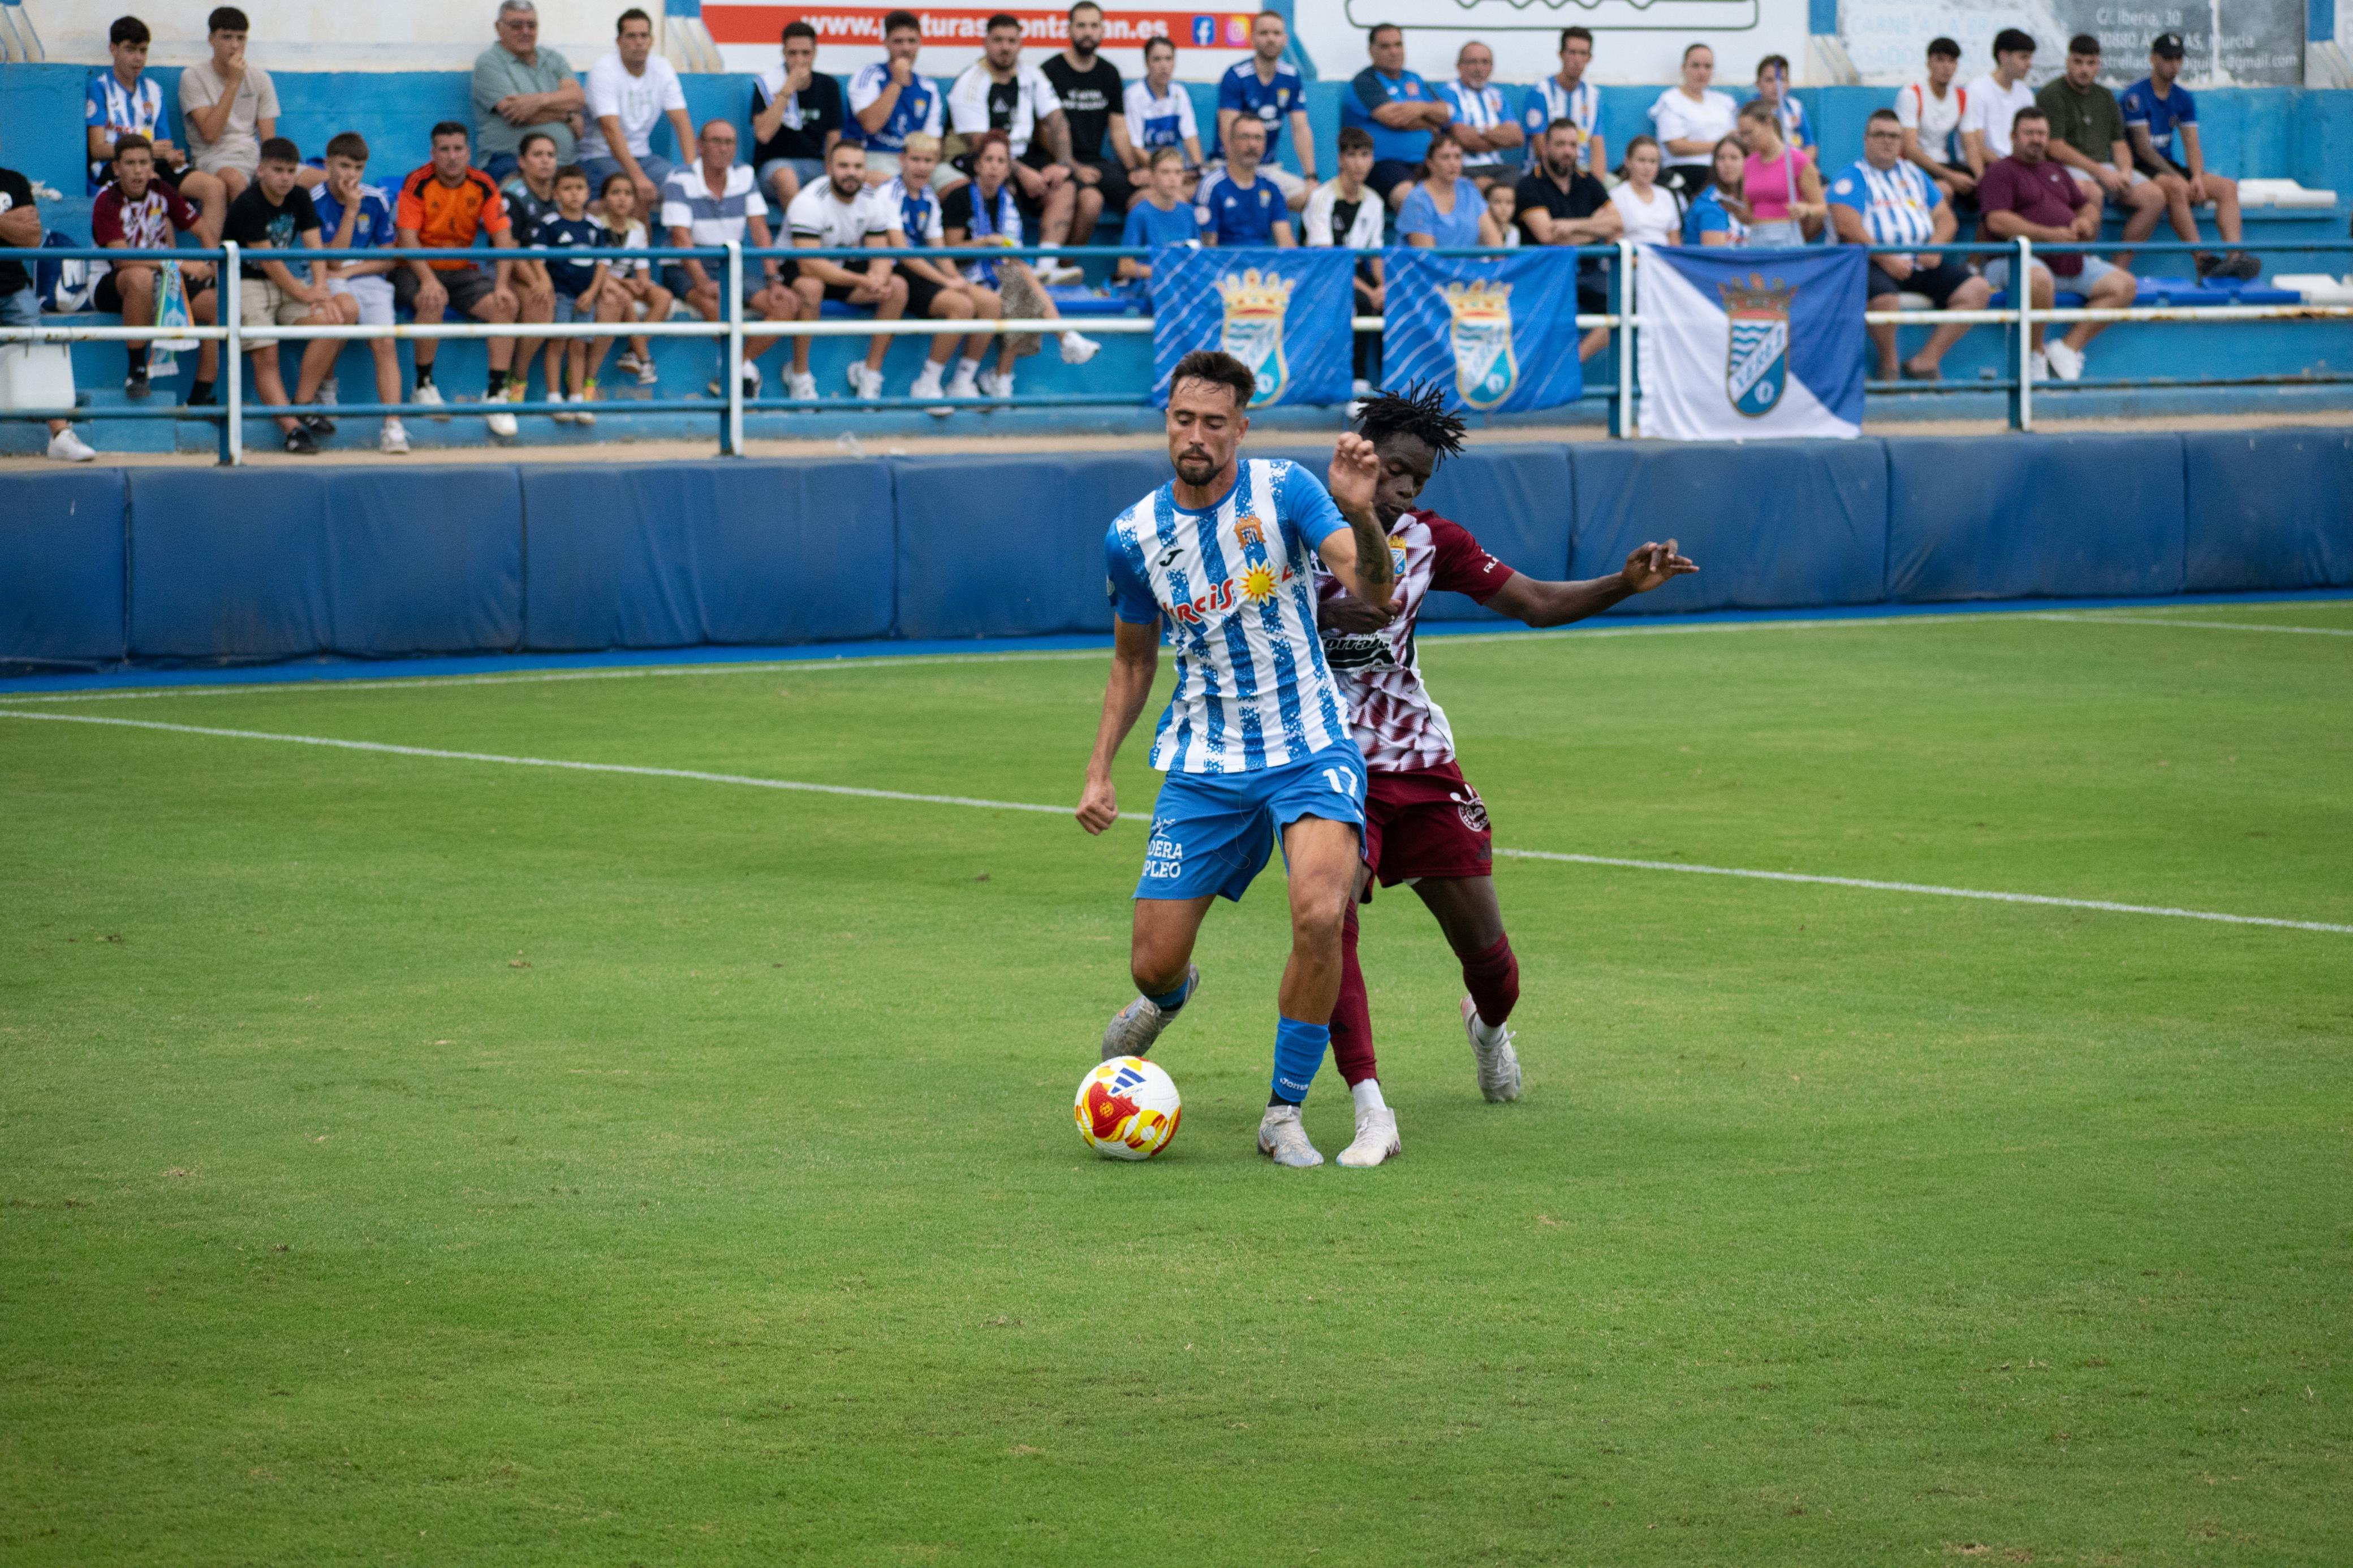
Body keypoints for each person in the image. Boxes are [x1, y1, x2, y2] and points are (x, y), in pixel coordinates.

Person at [1314, 385, 1696, 1161]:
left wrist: (1625, 583)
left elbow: (1534, 600)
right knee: (1329, 920)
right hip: (1326, 763)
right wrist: (1322, 617)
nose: (1401, 491)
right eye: (1390, 470)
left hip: (1419, 761)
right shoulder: (1291, 527)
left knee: (1493, 965)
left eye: (1415, 481)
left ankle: (1487, 1028)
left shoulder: (1431, 541)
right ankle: (1370, 1106)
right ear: (1354, 457)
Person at [1078, 349, 1397, 1170]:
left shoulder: (1285, 490)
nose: (1196, 435)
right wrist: (1100, 770)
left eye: (1214, 422)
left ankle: (1284, 1112)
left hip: (1308, 746)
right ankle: (1170, 998)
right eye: (1184, 419)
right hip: (1204, 759)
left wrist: (1362, 514)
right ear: (1168, 421)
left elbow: (1375, 590)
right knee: (1152, 963)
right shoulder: (1132, 536)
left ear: (1240, 429)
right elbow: (1132, 661)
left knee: (1321, 914)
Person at [1829, 109, 1993, 381]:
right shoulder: (1852, 177)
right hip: (1871, 262)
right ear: (1865, 139)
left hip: (1918, 262)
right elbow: (1848, 228)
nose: (1887, 141)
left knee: (1977, 289)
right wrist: (1886, 259)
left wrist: (1936, 247)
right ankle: (1889, 366)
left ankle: (1925, 361)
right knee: (1885, 299)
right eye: (1879, 135)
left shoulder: (1915, 175)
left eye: (1894, 136)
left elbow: (1946, 218)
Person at [1979, 107, 2136, 382]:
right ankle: (2034, 353)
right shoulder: (2000, 171)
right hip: (2014, 262)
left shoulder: (2057, 171)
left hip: (2066, 261)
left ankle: (2066, 348)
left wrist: (2086, 222)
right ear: (2013, 136)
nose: (2036, 139)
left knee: (2124, 285)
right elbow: (1997, 222)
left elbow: (2085, 206)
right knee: (2039, 279)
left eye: (2041, 134)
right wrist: (2047, 235)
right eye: (2029, 133)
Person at [941, 133, 1100, 401]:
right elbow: (949, 251)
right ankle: (1060, 340)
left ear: (1007, 169)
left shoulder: (1008, 203)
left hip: (995, 274)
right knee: (1022, 281)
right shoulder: (959, 197)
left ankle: (1002, 378)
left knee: (1022, 287)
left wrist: (1009, 258)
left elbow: (1012, 252)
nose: (994, 166)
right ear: (977, 165)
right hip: (962, 274)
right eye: (988, 159)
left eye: (1001, 161)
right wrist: (985, 243)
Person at [661, 118, 808, 401]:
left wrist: (773, 278)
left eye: (729, 142)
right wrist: (703, 282)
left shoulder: (744, 174)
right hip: (685, 267)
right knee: (711, 305)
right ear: (700, 146)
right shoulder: (679, 178)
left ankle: (736, 367)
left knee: (787, 303)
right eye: (716, 141)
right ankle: (743, 375)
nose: (723, 149)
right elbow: (681, 239)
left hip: (731, 263)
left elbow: (760, 229)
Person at [394, 121, 525, 437]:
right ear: (433, 153)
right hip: (415, 267)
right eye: (444, 150)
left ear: (468, 152)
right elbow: (407, 239)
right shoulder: (418, 181)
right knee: (432, 298)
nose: (452, 157)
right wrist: (427, 279)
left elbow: (503, 237)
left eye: (458, 149)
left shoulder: (483, 184)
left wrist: (504, 285)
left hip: (461, 271)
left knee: (505, 306)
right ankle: (423, 385)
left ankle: (495, 395)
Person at [224, 137, 352, 453]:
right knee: (265, 356)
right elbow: (269, 262)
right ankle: (293, 430)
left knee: (333, 324)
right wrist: (307, 293)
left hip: (283, 283)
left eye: (290, 171)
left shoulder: (299, 196)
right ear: (261, 170)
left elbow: (315, 247)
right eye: (278, 170)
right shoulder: (247, 203)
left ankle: (303, 404)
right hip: (245, 282)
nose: (285, 177)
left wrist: (321, 292)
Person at [946, 14, 1086, 283]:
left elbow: (1057, 121)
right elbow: (980, 146)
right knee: (1002, 183)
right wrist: (1021, 173)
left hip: (1022, 156)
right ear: (985, 43)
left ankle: (1045, 269)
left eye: (1012, 41)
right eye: (998, 40)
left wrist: (1064, 165)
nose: (1005, 47)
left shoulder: (1032, 76)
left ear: (1021, 44)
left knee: (1065, 186)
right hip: (983, 159)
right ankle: (1003, 274)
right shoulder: (971, 82)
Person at [90, 136, 220, 404]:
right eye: (130, 163)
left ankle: (200, 394)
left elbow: (204, 232)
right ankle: (137, 371)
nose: (138, 170)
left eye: (144, 163)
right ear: (116, 168)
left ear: (152, 166)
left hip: (166, 276)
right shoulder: (106, 200)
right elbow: (123, 260)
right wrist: (181, 265)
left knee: (220, 305)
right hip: (112, 282)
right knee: (141, 277)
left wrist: (212, 268)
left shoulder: (162, 190)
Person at [2122, 32, 2258, 281]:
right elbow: (2143, 149)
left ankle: (2235, 257)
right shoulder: (2135, 97)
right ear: (2153, 59)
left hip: (2167, 165)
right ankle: (2202, 259)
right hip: (2140, 167)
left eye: (2178, 58)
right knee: (2176, 187)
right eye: (2167, 58)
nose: (2174, 64)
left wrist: (2195, 176)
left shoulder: (2183, 98)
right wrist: (2180, 178)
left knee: (2227, 187)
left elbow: (2192, 144)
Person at [878, 133, 997, 407]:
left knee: (990, 304)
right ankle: (927, 384)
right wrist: (947, 281)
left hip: (922, 270)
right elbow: (902, 253)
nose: (922, 167)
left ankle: (962, 381)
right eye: (916, 159)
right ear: (902, 160)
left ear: (936, 164)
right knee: (962, 307)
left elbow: (938, 250)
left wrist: (955, 278)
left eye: (928, 161)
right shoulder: (889, 193)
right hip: (897, 272)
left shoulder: (930, 198)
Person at [788, 140, 910, 403]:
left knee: (897, 287)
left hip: (841, 266)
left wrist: (879, 279)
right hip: (796, 269)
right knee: (811, 287)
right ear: (829, 168)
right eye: (844, 166)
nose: (851, 173)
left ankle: (870, 373)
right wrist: (862, 280)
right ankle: (798, 375)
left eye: (858, 166)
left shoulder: (871, 199)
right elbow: (809, 264)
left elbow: (880, 254)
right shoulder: (809, 201)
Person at [309, 131, 408, 452]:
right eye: (344, 166)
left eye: (358, 168)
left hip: (366, 274)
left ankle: (393, 426)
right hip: (324, 275)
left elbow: (388, 258)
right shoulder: (314, 200)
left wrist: (353, 270)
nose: (351, 175)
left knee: (385, 341)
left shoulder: (377, 199)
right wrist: (351, 211)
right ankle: (327, 390)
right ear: (328, 164)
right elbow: (330, 262)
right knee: (341, 312)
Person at [86, 16, 225, 238]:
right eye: (130, 50)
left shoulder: (153, 90)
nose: (138, 58)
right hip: (116, 167)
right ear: (113, 49)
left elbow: (164, 143)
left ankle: (207, 268)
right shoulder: (100, 89)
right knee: (158, 192)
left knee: (214, 188)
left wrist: (171, 155)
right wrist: (149, 151)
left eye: (143, 51)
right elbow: (97, 148)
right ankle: (172, 272)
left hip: (154, 164)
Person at [2035, 34, 2168, 262]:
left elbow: (2119, 144)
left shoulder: (2105, 97)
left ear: (2099, 65)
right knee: (2092, 193)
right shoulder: (2052, 94)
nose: (2084, 70)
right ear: (2068, 62)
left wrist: (2125, 172)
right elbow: (2055, 148)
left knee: (2155, 197)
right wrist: (2102, 172)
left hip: (2102, 168)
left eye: (2090, 63)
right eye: (2078, 62)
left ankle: (2118, 269)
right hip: (2065, 169)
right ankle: (2082, 265)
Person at [0, 158, 100, 460]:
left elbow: (31, 239)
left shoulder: (14, 181)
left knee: (39, 350)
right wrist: (9, 222)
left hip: (13, 287)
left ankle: (60, 435)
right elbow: (19, 232)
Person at [1514, 119, 1618, 360]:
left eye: (1573, 145)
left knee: (1624, 308)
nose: (1568, 151)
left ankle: (1571, 363)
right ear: (1545, 148)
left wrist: (1570, 226)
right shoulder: (1529, 186)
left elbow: (1617, 223)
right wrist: (1595, 227)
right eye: (1560, 145)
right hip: (1547, 274)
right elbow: (1548, 236)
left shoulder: (1588, 181)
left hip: (1590, 273)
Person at [533, 162, 624, 424]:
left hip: (585, 297)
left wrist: (593, 292)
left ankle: (577, 398)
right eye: (567, 188)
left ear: (588, 194)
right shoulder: (550, 224)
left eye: (579, 188)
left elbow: (602, 264)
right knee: (557, 343)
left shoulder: (595, 226)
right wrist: (544, 283)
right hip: (561, 295)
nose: (574, 194)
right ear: (556, 194)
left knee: (579, 346)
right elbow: (537, 258)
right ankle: (553, 397)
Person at [580, 8, 693, 216]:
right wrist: (638, 178)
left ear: (651, 40)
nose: (639, 42)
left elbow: (682, 121)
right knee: (629, 192)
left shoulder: (662, 67)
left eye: (644, 36)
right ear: (619, 41)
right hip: (601, 156)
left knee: (686, 188)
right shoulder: (604, 70)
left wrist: (692, 172)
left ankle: (680, 247)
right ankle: (635, 247)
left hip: (644, 156)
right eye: (631, 36)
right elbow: (611, 130)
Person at [1304, 127, 1386, 393]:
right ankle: (1357, 380)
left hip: (1355, 274)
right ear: (1340, 159)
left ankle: (1392, 382)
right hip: (1322, 275)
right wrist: (1369, 293)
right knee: (1359, 301)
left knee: (1395, 300)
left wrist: (1382, 288)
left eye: (1365, 155)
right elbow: (1328, 261)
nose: (1359, 163)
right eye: (1352, 155)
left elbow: (1376, 257)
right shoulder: (1322, 198)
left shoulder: (1374, 202)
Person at [1042, 3, 1136, 232]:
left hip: (1096, 163)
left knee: (1145, 199)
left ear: (1103, 30)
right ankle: (1064, 266)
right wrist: (1073, 166)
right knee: (1091, 202)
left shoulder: (1110, 73)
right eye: (1081, 25)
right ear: (1069, 30)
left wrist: (1134, 171)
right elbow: (1043, 133)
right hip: (1058, 162)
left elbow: (1119, 132)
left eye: (1094, 25)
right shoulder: (1050, 71)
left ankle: (1134, 266)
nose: (1088, 32)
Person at [176, 6, 283, 203]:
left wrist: (272, 170)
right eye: (227, 37)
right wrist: (234, 83)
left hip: (253, 156)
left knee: (316, 180)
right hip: (214, 158)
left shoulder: (261, 79)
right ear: (211, 39)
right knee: (235, 182)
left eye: (241, 38)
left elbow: (269, 143)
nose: (235, 46)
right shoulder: (193, 77)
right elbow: (210, 135)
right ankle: (243, 235)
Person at [472, 0, 585, 181]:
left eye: (531, 25)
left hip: (565, 162)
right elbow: (516, 114)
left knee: (607, 193)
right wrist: (568, 117)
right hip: (510, 161)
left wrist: (537, 102)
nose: (525, 32)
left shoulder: (553, 59)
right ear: (498, 28)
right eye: (516, 26)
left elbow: (577, 98)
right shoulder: (489, 63)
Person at [1342, 24, 1450, 210]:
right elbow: (1395, 119)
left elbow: (1445, 113)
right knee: (1414, 203)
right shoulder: (1366, 81)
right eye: (1385, 47)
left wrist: (1419, 107)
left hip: (1427, 163)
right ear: (1371, 50)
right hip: (1384, 165)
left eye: (1398, 45)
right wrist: (1429, 121)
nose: (1394, 52)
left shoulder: (1414, 78)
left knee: (1466, 199)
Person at [1216, 12, 1315, 212]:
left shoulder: (1291, 76)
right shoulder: (1236, 76)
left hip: (1268, 169)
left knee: (1316, 199)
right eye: (1264, 33)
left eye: (1276, 33)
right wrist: (1243, 179)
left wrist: (1311, 177)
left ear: (1285, 40)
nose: (1271, 38)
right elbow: (1228, 131)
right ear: (1252, 38)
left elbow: (1301, 129)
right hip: (1229, 167)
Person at [845, 10, 949, 195]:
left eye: (912, 41)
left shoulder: (928, 88)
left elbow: (933, 142)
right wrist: (897, 83)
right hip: (875, 155)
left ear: (920, 43)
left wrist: (920, 165)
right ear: (886, 43)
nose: (906, 48)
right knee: (893, 186)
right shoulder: (869, 76)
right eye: (899, 41)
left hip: (915, 159)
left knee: (955, 184)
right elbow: (870, 125)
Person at [498, 131, 565, 408]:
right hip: (512, 269)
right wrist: (537, 281)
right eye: (538, 155)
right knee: (540, 305)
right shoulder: (512, 196)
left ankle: (581, 385)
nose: (545, 161)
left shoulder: (563, 195)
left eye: (550, 155)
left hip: (552, 271)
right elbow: (509, 249)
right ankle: (518, 379)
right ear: (522, 162)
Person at [752, 20, 846, 211]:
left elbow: (833, 137)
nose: (799, 60)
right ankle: (800, 234)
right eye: (792, 53)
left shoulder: (829, 86)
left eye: (806, 53)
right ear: (784, 53)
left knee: (849, 178)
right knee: (786, 177)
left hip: (816, 165)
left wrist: (833, 174)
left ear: (815, 53)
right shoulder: (768, 84)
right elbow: (763, 134)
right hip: (774, 167)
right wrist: (788, 89)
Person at [593, 170, 673, 386]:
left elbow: (642, 267)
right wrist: (625, 283)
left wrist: (643, 283)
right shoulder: (595, 226)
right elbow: (594, 268)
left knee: (663, 296)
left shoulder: (637, 229)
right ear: (604, 199)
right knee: (624, 296)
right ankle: (645, 359)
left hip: (625, 282)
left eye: (628, 193)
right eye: (615, 193)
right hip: (601, 281)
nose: (622, 198)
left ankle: (632, 352)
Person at [1649, 43, 1738, 204]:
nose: (1702, 72)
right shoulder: (1671, 101)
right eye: (1696, 66)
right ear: (1684, 68)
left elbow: (1736, 140)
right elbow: (1676, 147)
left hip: (1724, 169)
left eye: (1708, 66)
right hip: (1687, 171)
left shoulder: (1724, 102)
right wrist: (1720, 146)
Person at [1193, 115, 1294, 247]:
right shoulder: (1212, 186)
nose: (1252, 145)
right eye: (1245, 137)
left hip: (1263, 265)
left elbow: (1286, 243)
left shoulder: (1272, 186)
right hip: (1225, 265)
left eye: (1258, 138)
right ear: (1230, 142)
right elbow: (1208, 250)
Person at [1123, 37, 1204, 202]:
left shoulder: (1179, 93)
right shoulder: (1134, 95)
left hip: (1174, 170)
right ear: (1147, 63)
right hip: (1148, 171)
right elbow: (1136, 148)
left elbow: (1191, 139)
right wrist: (1167, 172)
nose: (1164, 65)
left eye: (1169, 59)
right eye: (1157, 59)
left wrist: (1197, 170)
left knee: (1205, 192)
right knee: (1176, 198)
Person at [1735, 97, 1825, 244]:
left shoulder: (1798, 161)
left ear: (1768, 124)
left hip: (1787, 235)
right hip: (1756, 236)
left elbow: (1821, 207)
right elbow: (1749, 214)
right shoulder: (1748, 164)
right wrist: (1736, 211)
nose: (1746, 141)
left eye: (1750, 133)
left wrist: (1806, 209)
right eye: (1742, 135)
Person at [1895, 37, 1974, 206]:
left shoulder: (1962, 97)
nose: (1946, 67)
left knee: (1988, 189)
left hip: (1943, 164)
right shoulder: (1911, 94)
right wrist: (1950, 176)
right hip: (1911, 166)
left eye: (1952, 61)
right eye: (1940, 60)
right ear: (1929, 64)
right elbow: (1910, 150)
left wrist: (1981, 180)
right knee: (1944, 189)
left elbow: (1970, 146)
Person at [1437, 41, 1522, 191]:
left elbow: (1517, 138)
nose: (1479, 69)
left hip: (1497, 167)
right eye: (1472, 62)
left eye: (1485, 62)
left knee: (1520, 181)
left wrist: (1480, 132)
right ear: (1459, 66)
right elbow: (1462, 138)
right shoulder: (1449, 93)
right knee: (1493, 191)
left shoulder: (1498, 95)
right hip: (1462, 168)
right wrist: (1499, 138)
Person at [1520, 27, 1604, 179]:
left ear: (1590, 58)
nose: (1577, 60)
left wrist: (1597, 187)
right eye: (1572, 52)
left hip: (1581, 176)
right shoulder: (1541, 93)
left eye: (1583, 53)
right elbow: (1541, 149)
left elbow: (1597, 147)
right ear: (1561, 55)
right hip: (1545, 176)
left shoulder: (1593, 96)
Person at [1959, 29, 2037, 179]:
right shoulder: (1977, 90)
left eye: (2030, 58)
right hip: (1990, 169)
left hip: (2020, 169)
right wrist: (2013, 169)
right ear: (2003, 56)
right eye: (2024, 57)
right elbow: (1977, 146)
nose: (2029, 64)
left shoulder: (2026, 94)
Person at [1397, 137, 1502, 249]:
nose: (1453, 164)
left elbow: (1494, 243)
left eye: (1457, 157)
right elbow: (1426, 258)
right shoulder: (1417, 200)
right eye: (1445, 157)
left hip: (1469, 266)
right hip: (1432, 266)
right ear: (1430, 163)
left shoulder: (1469, 190)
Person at [1118, 146, 1201, 284]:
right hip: (1150, 287)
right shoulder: (1140, 214)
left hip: (1183, 285)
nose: (1172, 178)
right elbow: (1125, 267)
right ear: (1152, 178)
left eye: (1178, 172)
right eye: (1165, 172)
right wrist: (1165, 272)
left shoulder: (1189, 212)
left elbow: (1197, 255)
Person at [1609, 135, 1683, 248]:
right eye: (1641, 160)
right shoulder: (1616, 196)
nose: (1647, 167)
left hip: (1664, 262)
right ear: (1628, 162)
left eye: (1653, 162)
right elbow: (1613, 242)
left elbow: (1675, 241)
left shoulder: (1666, 195)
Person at [1683, 135, 1750, 246]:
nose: (1727, 164)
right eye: (1721, 158)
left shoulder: (1752, 197)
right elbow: (1716, 255)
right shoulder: (1708, 201)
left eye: (1734, 158)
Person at [1749, 54, 1812, 151]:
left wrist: (1799, 163)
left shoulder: (1795, 108)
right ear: (1758, 84)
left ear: (1788, 83)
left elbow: (1810, 147)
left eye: (1782, 80)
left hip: (1792, 163)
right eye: (1769, 80)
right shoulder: (1749, 111)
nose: (1776, 86)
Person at [1484, 180, 1520, 247]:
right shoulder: (1479, 231)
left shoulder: (1514, 231)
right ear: (1485, 204)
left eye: (1509, 202)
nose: (1504, 208)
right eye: (1497, 202)